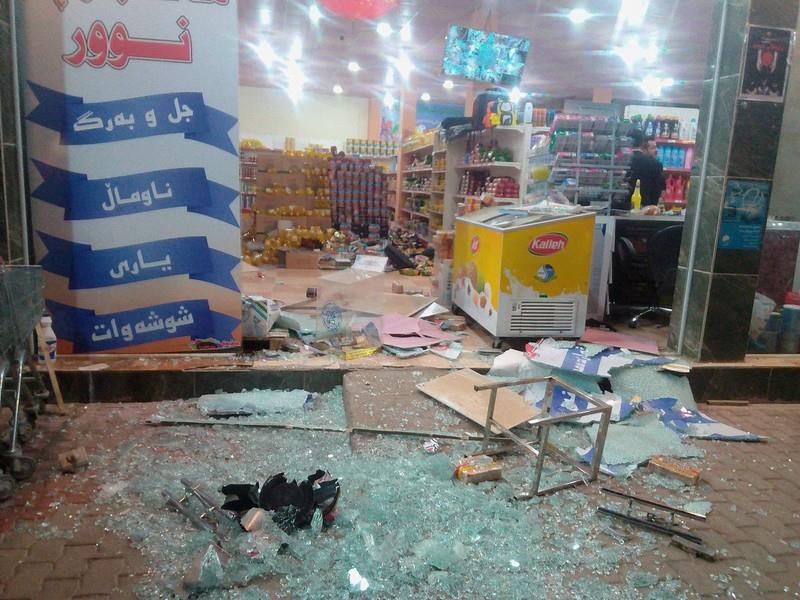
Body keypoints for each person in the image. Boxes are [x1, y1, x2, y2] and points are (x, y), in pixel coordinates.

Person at [626, 133, 666, 208]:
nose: (656, 150)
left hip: (626, 204)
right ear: (644, 149)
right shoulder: (656, 164)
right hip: (647, 206)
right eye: (653, 148)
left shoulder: (626, 160)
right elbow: (659, 187)